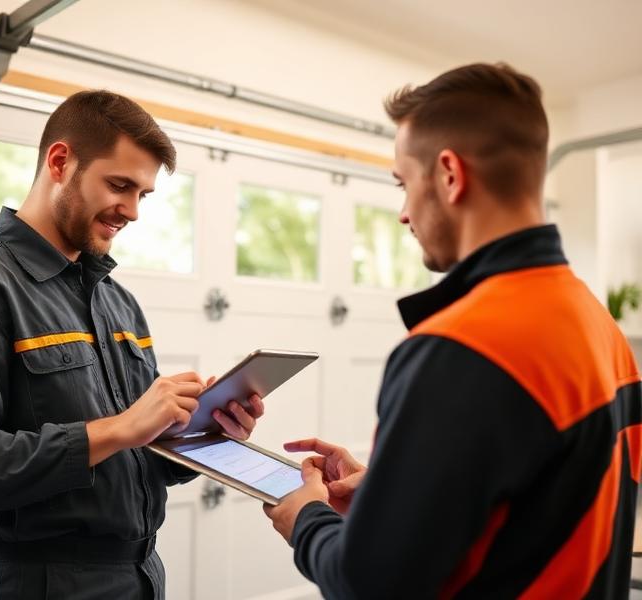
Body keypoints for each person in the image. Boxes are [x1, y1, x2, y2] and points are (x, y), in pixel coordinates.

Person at [263, 63, 642, 598]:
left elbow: (371, 585)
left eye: (403, 183)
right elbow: (547, 502)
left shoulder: (460, 348)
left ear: (448, 174)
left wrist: (306, 519)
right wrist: (396, 495)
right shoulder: (596, 322)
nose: (403, 213)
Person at [0, 90, 264, 599]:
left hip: (138, 577)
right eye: (119, 185)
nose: (133, 211)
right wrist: (118, 428)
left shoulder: (120, 304)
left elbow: (135, 456)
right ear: (60, 161)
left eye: (143, 194)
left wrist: (205, 433)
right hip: (39, 583)